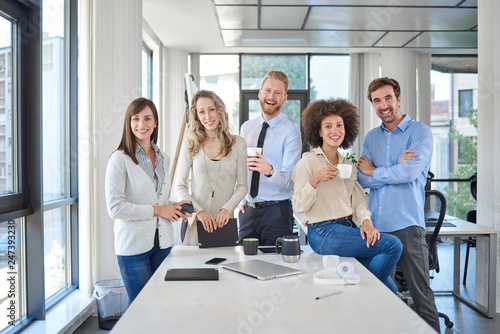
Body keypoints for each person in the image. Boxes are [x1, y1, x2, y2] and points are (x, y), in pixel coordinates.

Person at [292, 98, 403, 292]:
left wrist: (366, 222)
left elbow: (358, 201)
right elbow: (298, 206)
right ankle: (363, 291)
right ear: (318, 131)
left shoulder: (348, 165)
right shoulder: (308, 162)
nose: (335, 131)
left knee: (391, 291)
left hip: (348, 228)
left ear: (346, 128)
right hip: (323, 231)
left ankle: (361, 294)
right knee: (392, 245)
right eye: (328, 126)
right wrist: (315, 180)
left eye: (339, 125)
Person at [357, 77, 440, 331]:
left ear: (399, 99)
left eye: (388, 98)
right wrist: (392, 169)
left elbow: (409, 174)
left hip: (407, 227)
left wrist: (377, 171)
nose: (383, 105)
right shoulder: (371, 138)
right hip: (377, 230)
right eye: (377, 100)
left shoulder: (420, 132)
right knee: (379, 297)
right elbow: (361, 178)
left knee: (421, 296)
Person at [105, 98, 192, 302]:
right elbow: (116, 208)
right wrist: (158, 210)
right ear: (129, 122)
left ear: (155, 123)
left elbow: (157, 199)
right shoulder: (119, 159)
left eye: (147, 118)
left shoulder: (164, 159)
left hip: (163, 245)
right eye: (136, 119)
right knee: (141, 309)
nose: (141, 124)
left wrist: (173, 207)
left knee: (163, 305)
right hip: (133, 249)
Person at [176, 90, 248, 244]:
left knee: (224, 267)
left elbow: (242, 186)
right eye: (202, 112)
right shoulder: (190, 144)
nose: (207, 117)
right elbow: (179, 186)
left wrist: (227, 208)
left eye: (211, 110)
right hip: (196, 223)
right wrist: (199, 212)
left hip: (224, 223)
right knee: (195, 268)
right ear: (197, 117)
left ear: (219, 110)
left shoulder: (239, 144)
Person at [238, 71, 302, 246]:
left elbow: (289, 180)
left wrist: (269, 170)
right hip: (248, 212)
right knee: (245, 264)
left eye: (277, 93)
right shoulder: (246, 128)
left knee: (276, 266)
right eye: (267, 91)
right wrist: (242, 199)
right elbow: (241, 169)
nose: (271, 96)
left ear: (284, 99)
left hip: (277, 212)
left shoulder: (291, 132)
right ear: (260, 93)